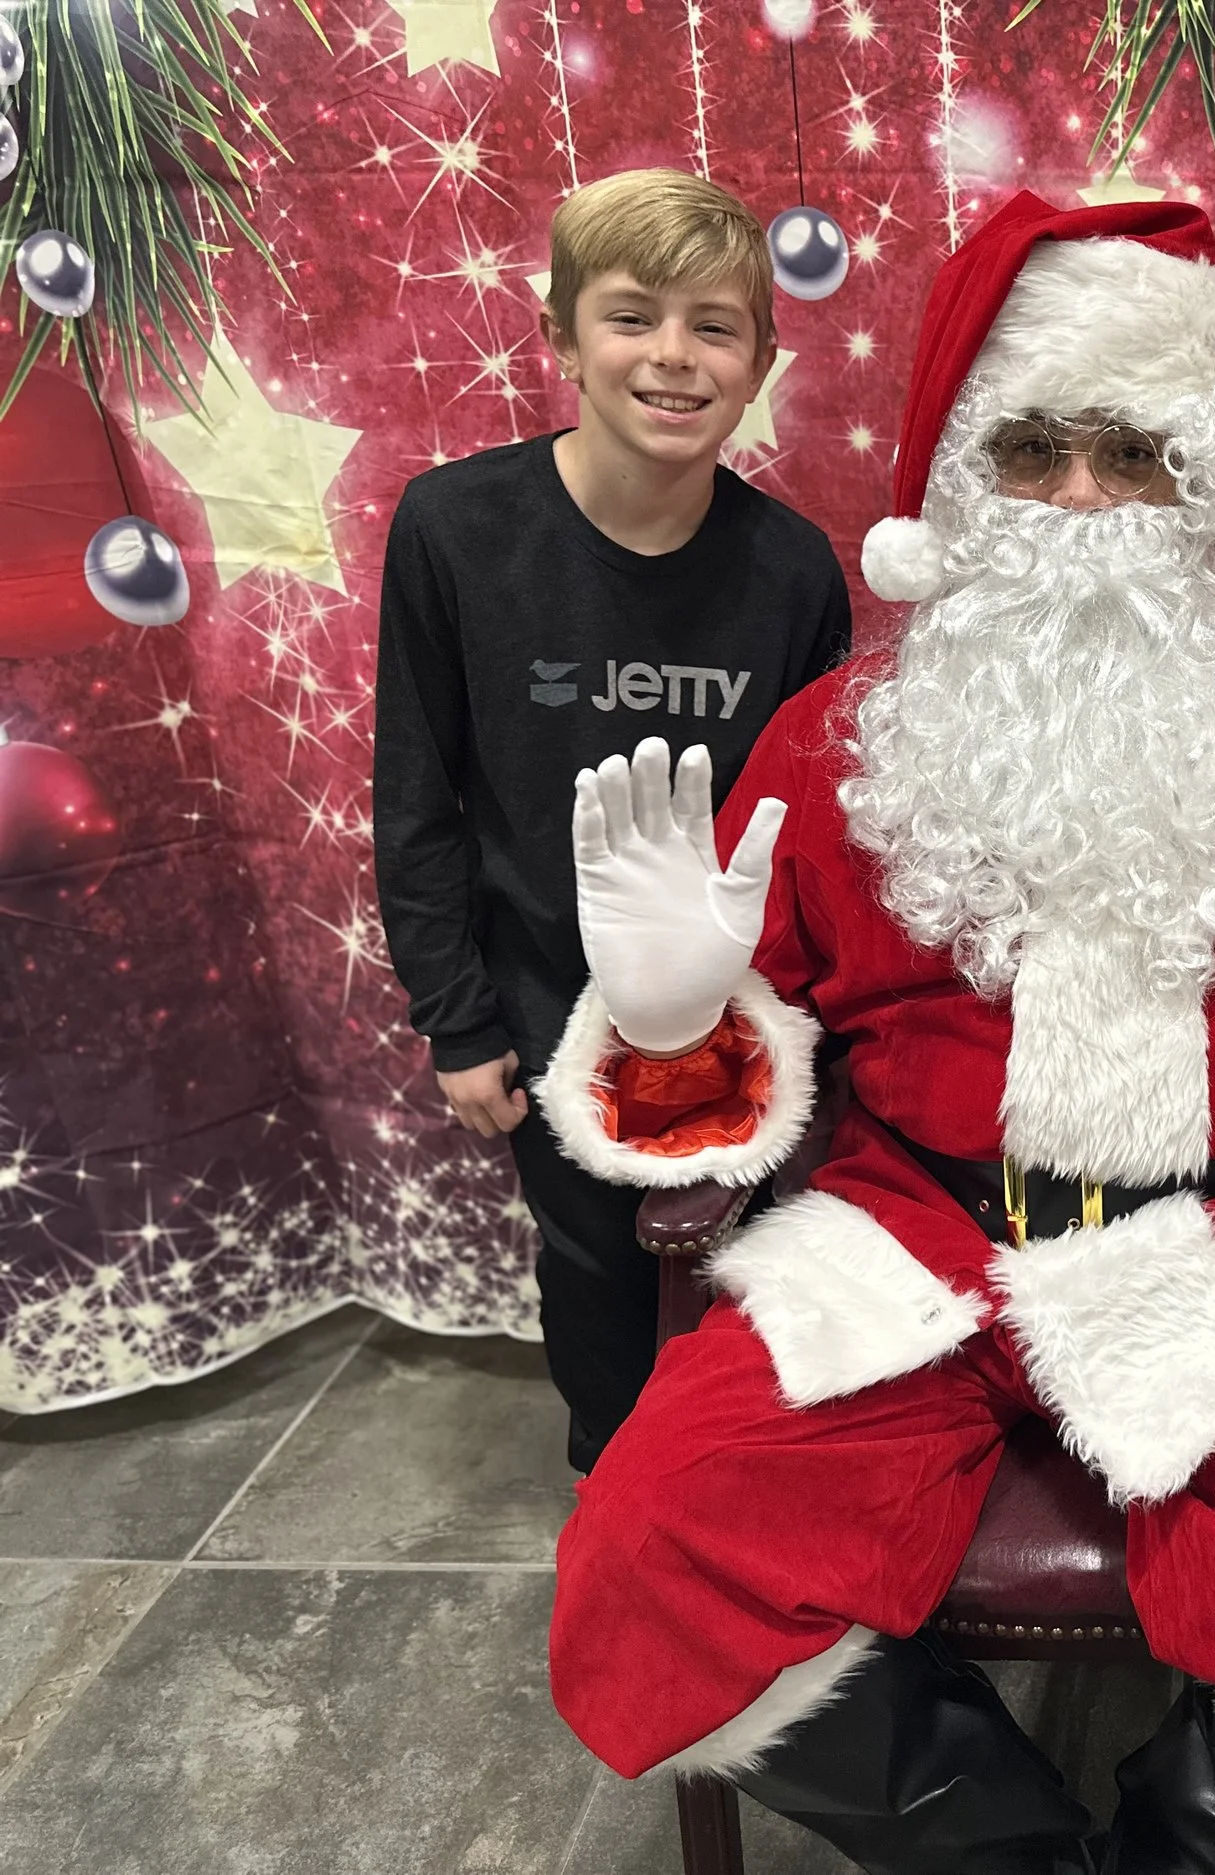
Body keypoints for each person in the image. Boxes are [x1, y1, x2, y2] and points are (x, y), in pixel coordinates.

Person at [532, 193, 1215, 1873]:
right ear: (966, 486)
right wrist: (673, 1029)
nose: (1086, 499)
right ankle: (1004, 1849)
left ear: (1207, 480)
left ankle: (1179, 1846)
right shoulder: (836, 741)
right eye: (1033, 453)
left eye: (1135, 453)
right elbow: (723, 1055)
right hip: (912, 1243)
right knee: (650, 1549)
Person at [373, 168, 849, 1474]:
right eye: (633, 317)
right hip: (543, 992)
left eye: (715, 327)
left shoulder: (794, 568)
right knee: (593, 1268)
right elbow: (417, 794)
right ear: (564, 338)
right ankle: (616, 1477)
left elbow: (809, 821)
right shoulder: (455, 529)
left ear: (759, 364)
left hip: (733, 996)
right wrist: (459, 1020)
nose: (674, 356)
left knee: (747, 1255)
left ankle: (731, 1479)